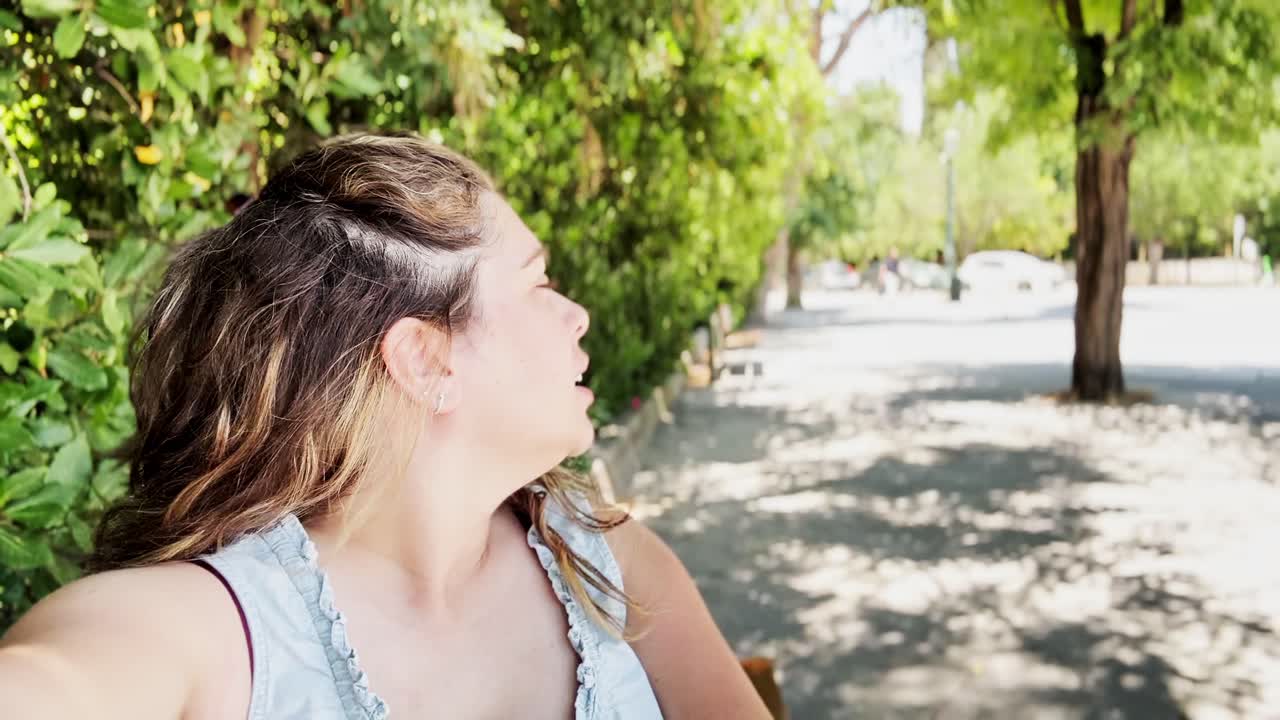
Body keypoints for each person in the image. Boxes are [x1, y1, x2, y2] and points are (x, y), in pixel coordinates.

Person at [0, 132, 770, 719]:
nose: (577, 316)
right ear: (427, 361)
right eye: (538, 284)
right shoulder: (215, 632)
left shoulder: (604, 555)